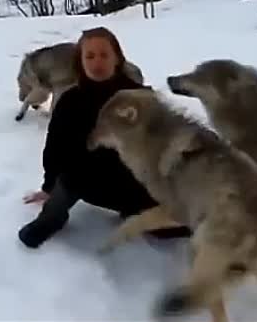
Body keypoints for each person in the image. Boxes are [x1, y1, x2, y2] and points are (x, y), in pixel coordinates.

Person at [18, 26, 191, 249]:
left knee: (169, 229)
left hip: (134, 183)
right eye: (89, 56)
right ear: (80, 62)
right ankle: (51, 219)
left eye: (104, 55)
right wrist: (48, 186)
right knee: (70, 177)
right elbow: (55, 148)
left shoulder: (140, 97)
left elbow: (167, 140)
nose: (97, 62)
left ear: (117, 59)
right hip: (86, 180)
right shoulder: (71, 101)